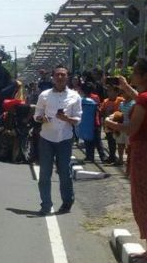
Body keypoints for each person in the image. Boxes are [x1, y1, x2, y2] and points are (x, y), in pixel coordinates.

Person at [104, 59, 147, 262]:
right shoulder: (144, 98)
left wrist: (110, 123)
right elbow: (141, 99)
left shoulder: (143, 100)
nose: (132, 76)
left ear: (143, 76)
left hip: (142, 153)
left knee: (142, 198)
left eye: (135, 73)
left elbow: (131, 129)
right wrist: (126, 87)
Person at [33, 65, 82, 216]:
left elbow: (78, 119)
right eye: (57, 75)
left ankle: (67, 202)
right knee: (45, 173)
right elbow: (37, 115)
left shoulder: (75, 96)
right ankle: (46, 205)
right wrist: (42, 118)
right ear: (53, 77)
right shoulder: (45, 95)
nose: (60, 77)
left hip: (65, 139)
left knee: (64, 172)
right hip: (46, 138)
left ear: (67, 77)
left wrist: (67, 118)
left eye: (63, 75)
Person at [78, 82, 108, 163]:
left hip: (93, 122)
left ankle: (100, 156)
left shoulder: (89, 98)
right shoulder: (90, 98)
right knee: (90, 140)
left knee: (95, 140)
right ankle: (90, 156)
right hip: (92, 122)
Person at [101, 85, 124, 164]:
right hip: (108, 125)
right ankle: (112, 156)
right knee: (110, 141)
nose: (109, 93)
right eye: (108, 91)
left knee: (120, 142)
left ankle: (119, 157)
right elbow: (102, 111)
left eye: (111, 91)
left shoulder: (121, 100)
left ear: (116, 92)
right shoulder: (105, 101)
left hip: (118, 124)